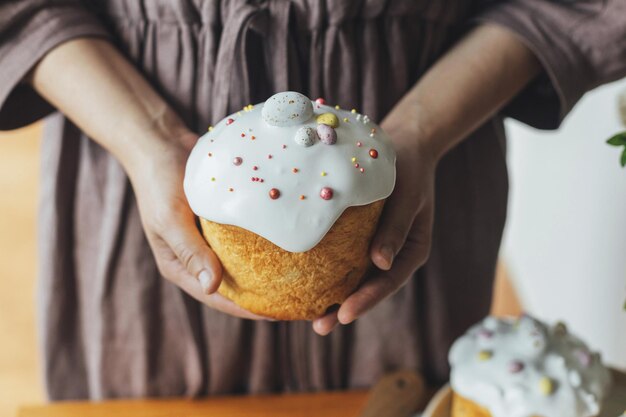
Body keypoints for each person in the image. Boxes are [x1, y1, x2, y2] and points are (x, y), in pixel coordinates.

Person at [0, 0, 624, 400]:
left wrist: (419, 133)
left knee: (408, 394)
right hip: (130, 135)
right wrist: (147, 137)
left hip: (419, 155)